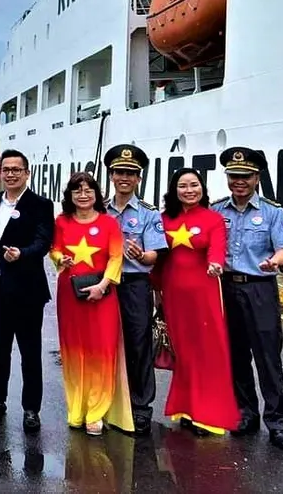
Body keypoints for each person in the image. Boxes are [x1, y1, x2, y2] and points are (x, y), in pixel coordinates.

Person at [212, 147, 283, 451]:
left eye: (245, 176)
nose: (239, 181)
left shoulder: (272, 211)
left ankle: (277, 424)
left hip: (259, 288)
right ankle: (246, 415)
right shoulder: (216, 210)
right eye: (233, 176)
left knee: (268, 357)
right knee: (236, 356)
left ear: (256, 178)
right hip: (226, 288)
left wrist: (275, 261)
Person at [49, 171, 132, 436]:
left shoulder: (109, 223)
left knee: (101, 351)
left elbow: (116, 257)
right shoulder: (61, 221)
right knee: (73, 351)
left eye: (88, 190)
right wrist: (60, 259)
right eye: (77, 191)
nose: (83, 195)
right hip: (70, 296)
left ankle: (96, 411)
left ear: (96, 194)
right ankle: (77, 408)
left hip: (102, 296)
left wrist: (103, 286)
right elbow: (54, 249)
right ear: (70, 195)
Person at [158, 168, 240, 436]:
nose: (189, 190)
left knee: (208, 351)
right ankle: (185, 408)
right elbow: (158, 258)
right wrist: (154, 289)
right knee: (183, 352)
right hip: (173, 294)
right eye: (183, 186)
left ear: (202, 188)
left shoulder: (213, 219)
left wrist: (215, 264)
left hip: (204, 293)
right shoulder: (164, 219)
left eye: (194, 185)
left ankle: (208, 415)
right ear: (174, 190)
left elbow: (217, 247)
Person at [0, 149, 53, 431]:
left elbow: (43, 242)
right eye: (6, 169)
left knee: (30, 351)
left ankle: (31, 408)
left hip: (27, 290)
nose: (10, 174)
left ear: (26, 173)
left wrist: (22, 253)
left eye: (16, 170)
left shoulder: (40, 204)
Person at [103, 144, 167, 435]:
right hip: (105, 284)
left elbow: (155, 255)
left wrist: (141, 255)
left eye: (130, 173)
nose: (124, 178)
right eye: (119, 172)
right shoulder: (99, 210)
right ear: (111, 176)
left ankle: (140, 406)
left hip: (134, 284)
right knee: (104, 344)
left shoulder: (149, 214)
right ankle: (107, 402)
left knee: (138, 344)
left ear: (139, 178)